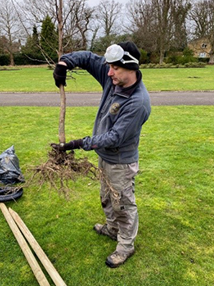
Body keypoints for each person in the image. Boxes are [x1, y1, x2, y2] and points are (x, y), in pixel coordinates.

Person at [50, 41, 151, 268]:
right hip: (104, 157)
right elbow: (87, 58)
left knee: (122, 203)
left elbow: (114, 137)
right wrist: (64, 63)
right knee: (106, 196)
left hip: (120, 162)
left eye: (115, 68)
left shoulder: (138, 102)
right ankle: (112, 229)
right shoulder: (112, 78)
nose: (109, 72)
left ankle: (126, 246)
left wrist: (79, 143)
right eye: (109, 66)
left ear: (131, 68)